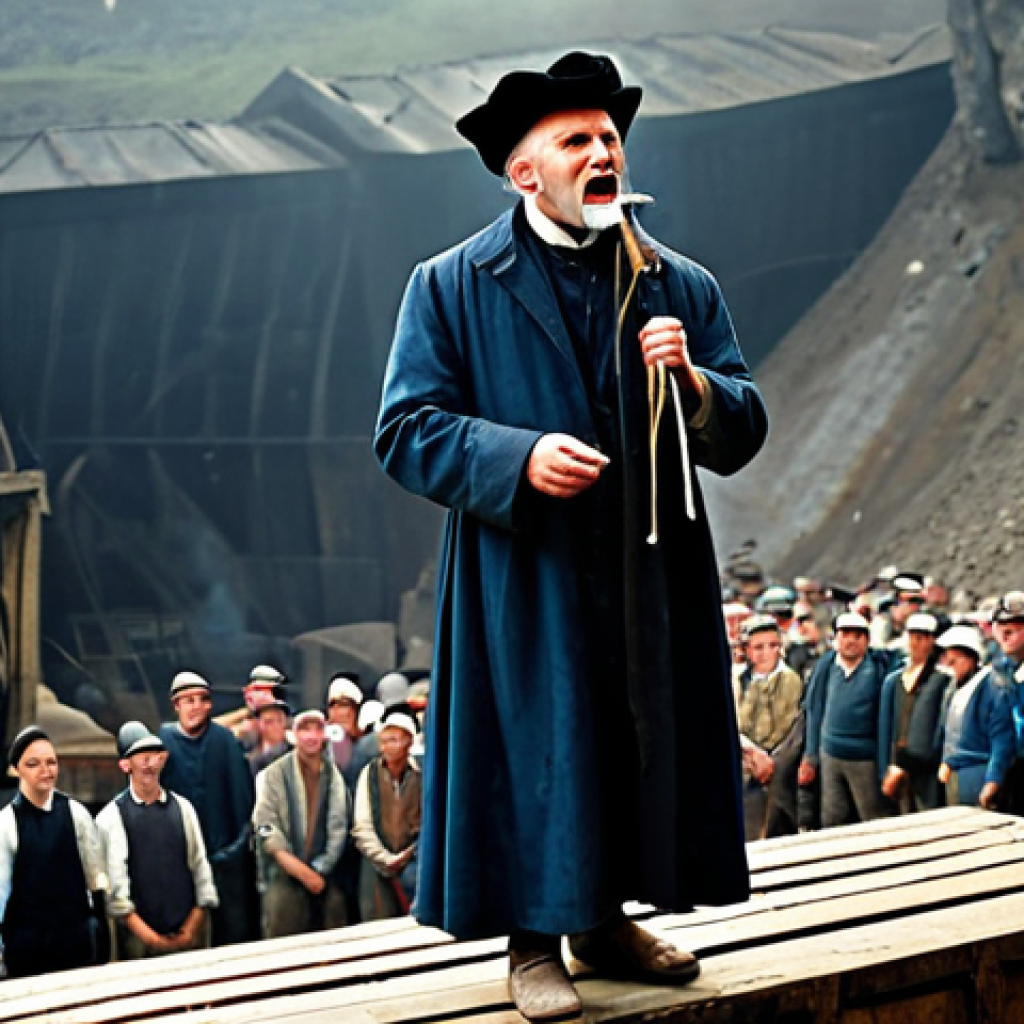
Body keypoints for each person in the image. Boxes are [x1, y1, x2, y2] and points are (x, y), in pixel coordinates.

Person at [374, 50, 767, 1020]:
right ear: (524, 171)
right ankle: (533, 942)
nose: (603, 154)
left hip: (649, 566)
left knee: (632, 732)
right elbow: (404, 430)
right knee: (538, 739)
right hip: (525, 569)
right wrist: (516, 459)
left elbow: (743, 424)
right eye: (576, 140)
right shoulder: (450, 284)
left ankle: (604, 922)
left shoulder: (677, 281)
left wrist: (696, 388)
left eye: (609, 138)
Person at [96, 722, 218, 959]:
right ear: (125, 765)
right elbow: (117, 892)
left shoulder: (183, 808)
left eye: (153, 756)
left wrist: (191, 927)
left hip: (188, 934)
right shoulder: (111, 818)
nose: (149, 764)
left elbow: (200, 867)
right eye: (141, 757)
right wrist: (151, 939)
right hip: (138, 942)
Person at [159, 670, 258, 945]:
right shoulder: (164, 744)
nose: (194, 707)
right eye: (187, 700)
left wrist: (234, 850)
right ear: (176, 705)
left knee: (233, 931)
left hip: (225, 856)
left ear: (208, 705)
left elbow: (242, 799)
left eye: (199, 700)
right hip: (181, 861)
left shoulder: (224, 741)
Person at [0, 726, 108, 978]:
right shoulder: (7, 823)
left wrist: (100, 931)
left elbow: (96, 879)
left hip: (75, 946)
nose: (45, 770)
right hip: (27, 951)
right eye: (34, 764)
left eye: (51, 763)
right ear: (16, 769)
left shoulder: (76, 813)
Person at [254, 710, 351, 938]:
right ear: (294, 734)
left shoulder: (334, 776)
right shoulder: (273, 774)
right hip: (283, 871)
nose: (311, 736)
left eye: (317, 729)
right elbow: (265, 826)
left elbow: (338, 828)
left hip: (323, 872)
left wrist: (320, 869)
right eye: (304, 729)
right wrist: (300, 872)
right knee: (282, 936)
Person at [800, 612, 896, 827]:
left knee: (872, 817)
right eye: (845, 634)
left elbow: (885, 721)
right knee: (833, 817)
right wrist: (811, 755)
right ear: (835, 638)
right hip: (830, 755)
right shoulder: (826, 666)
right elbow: (814, 710)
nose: (851, 640)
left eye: (858, 635)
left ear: (867, 640)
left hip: (864, 758)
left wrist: (884, 767)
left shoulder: (878, 669)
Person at [735, 615, 804, 840]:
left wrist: (770, 760)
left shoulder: (790, 680)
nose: (767, 653)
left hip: (780, 772)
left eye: (773, 646)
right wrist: (750, 753)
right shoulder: (737, 681)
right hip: (745, 768)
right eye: (758, 647)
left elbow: (791, 727)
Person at [351, 709, 422, 922]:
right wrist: (384, 858)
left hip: (414, 861)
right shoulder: (369, 773)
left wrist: (409, 854)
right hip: (376, 861)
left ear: (409, 742)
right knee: (376, 918)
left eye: (395, 739)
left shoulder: (422, 773)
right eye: (384, 739)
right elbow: (362, 825)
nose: (387, 745)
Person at [877, 613, 950, 813]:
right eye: (912, 637)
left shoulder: (939, 679)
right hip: (897, 760)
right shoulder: (896, 679)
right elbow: (887, 725)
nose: (916, 643)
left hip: (925, 764)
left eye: (922, 638)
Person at [937, 625, 1015, 809]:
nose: (949, 666)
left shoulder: (992, 687)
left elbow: (1002, 740)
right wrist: (946, 760)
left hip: (978, 771)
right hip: (955, 773)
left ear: (970, 658)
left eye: (954, 661)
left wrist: (993, 781)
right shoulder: (954, 687)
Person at [325, 673, 365, 791]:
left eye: (344, 705)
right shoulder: (320, 745)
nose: (339, 713)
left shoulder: (367, 746)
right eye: (333, 706)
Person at [248, 699, 292, 778]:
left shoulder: (294, 753)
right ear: (258, 724)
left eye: (279, 720)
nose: (276, 726)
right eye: (269, 722)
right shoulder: (247, 753)